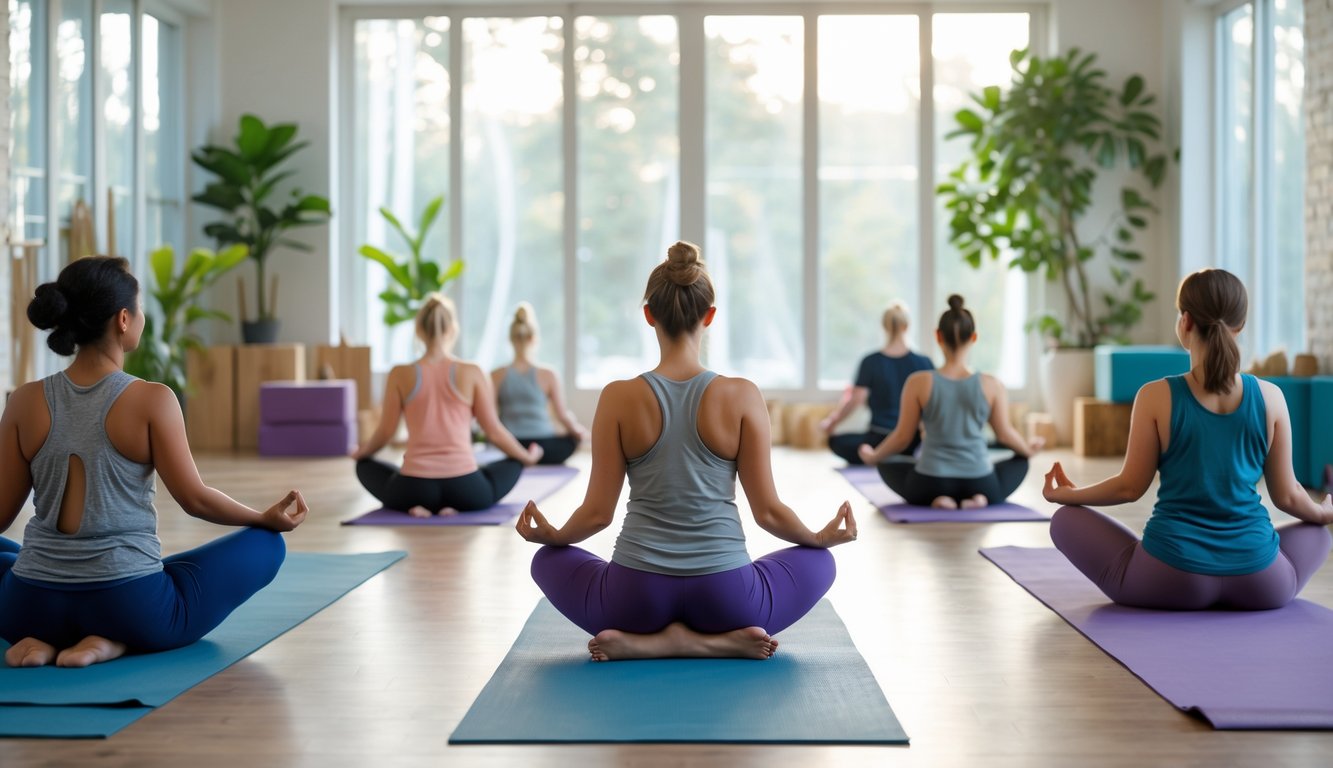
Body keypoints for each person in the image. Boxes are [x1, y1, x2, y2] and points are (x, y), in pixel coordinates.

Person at [515, 241, 857, 661]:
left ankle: (654, 643)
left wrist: (555, 536)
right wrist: (819, 538)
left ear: (648, 315)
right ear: (709, 316)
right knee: (822, 563)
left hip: (633, 599)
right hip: (729, 599)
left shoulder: (619, 397)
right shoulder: (743, 395)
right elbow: (767, 512)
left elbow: (597, 513)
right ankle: (710, 643)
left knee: (545, 560)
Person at [0, 256, 308, 668]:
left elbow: (1, 515)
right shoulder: (152, 400)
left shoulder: (23, 400)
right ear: (124, 320)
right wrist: (262, 518)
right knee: (266, 546)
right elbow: (194, 500)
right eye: (140, 309)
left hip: (27, 605)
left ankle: (41, 640)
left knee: (10, 556)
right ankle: (111, 640)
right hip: (130, 606)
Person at [1043, 268, 1333, 610]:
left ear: (1185, 322)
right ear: (1240, 326)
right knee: (1316, 532)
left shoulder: (1154, 396)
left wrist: (1070, 494)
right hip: (1260, 583)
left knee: (1064, 519)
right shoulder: (1271, 397)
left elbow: (1129, 487)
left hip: (1170, 577)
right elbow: (1288, 496)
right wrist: (1323, 511)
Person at [354, 293, 542, 517]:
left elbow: (386, 432)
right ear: (453, 329)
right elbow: (494, 431)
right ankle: (453, 507)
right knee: (513, 463)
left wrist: (360, 453)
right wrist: (525, 457)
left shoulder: (399, 374)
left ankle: (416, 506)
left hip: (413, 487)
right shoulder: (472, 371)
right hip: (465, 489)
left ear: (419, 330)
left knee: (364, 467)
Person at [859, 295, 1039, 508]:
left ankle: (939, 498)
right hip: (980, 478)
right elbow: (1005, 434)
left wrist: (874, 457)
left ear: (938, 336)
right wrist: (1029, 450)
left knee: (887, 463)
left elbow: (902, 437)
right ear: (973, 337)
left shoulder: (918, 382)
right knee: (1020, 462)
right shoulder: (992, 385)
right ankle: (979, 498)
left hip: (931, 480)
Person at [820, 301, 934, 464]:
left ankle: (881, 455)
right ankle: (897, 456)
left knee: (836, 441)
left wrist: (832, 422)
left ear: (884, 327)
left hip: (879, 438)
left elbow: (855, 400)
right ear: (907, 326)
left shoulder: (870, 362)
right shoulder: (924, 362)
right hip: (913, 440)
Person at [490, 302, 588, 465]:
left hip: (511, 444)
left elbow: (491, 419)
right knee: (572, 440)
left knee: (506, 450)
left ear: (510, 339)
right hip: (545, 445)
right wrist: (579, 432)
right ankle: (534, 457)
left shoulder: (495, 375)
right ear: (534, 339)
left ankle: (521, 458)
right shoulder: (548, 374)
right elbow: (562, 416)